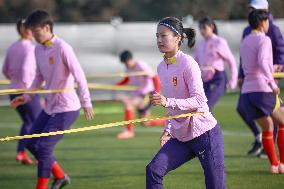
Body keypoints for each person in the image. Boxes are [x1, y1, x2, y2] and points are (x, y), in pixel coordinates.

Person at [11, 10, 94, 189]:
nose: (33, 36)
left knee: (44, 147)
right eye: (31, 33)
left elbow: (79, 76)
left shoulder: (63, 47)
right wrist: (26, 96)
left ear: (47, 27)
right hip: (49, 107)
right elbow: (38, 77)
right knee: (30, 142)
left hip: (67, 109)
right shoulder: (37, 49)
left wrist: (86, 102)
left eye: (36, 32)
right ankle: (60, 176)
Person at [146, 17, 226, 189]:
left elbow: (199, 100)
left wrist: (168, 101)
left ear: (178, 38)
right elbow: (172, 108)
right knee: (153, 170)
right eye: (157, 36)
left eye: (164, 36)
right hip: (180, 136)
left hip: (205, 134)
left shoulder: (189, 63)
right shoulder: (161, 67)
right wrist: (168, 130)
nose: (159, 40)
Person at [238, 10, 284, 174]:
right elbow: (263, 62)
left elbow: (249, 66)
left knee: (268, 127)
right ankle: (283, 163)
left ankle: (274, 165)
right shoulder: (264, 39)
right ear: (263, 22)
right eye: (267, 21)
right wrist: (272, 83)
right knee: (283, 122)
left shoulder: (245, 41)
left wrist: (272, 68)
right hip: (262, 90)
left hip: (247, 94)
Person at [2, 18, 42, 165]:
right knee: (36, 122)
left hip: (13, 90)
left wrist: (15, 82)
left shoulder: (13, 47)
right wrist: (28, 89)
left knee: (28, 122)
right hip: (27, 91)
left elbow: (5, 70)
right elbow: (26, 70)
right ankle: (38, 154)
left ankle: (21, 152)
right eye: (31, 28)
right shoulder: (30, 48)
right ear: (26, 30)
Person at [116, 50, 165, 139]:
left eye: (126, 63)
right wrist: (117, 85)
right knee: (146, 122)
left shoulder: (141, 65)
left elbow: (155, 78)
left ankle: (129, 132)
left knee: (129, 103)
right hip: (138, 95)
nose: (126, 65)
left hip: (146, 95)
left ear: (130, 59)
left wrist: (157, 93)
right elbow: (127, 79)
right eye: (124, 64)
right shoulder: (128, 68)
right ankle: (170, 121)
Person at [194, 17, 238, 112]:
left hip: (218, 79)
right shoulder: (200, 44)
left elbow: (231, 61)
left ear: (212, 27)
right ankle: (213, 127)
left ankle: (212, 127)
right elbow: (195, 64)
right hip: (204, 80)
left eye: (204, 28)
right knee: (201, 109)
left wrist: (233, 80)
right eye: (200, 28)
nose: (202, 31)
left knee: (206, 108)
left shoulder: (219, 42)